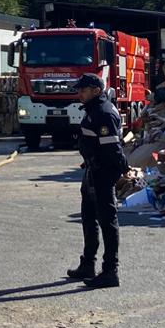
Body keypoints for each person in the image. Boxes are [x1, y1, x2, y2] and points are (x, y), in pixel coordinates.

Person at [66, 73, 127, 287]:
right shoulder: (93, 110)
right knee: (89, 216)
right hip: (93, 170)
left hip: (103, 172)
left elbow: (112, 147)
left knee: (107, 220)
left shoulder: (102, 113)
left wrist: (122, 169)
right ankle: (88, 264)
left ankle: (110, 271)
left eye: (83, 90)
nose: (79, 94)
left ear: (96, 91)